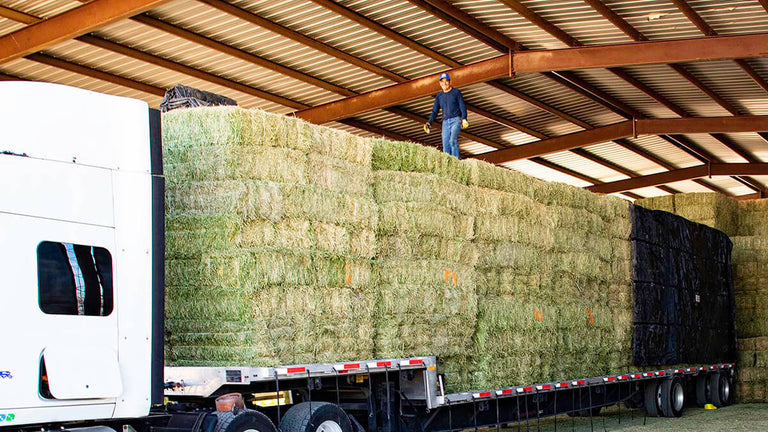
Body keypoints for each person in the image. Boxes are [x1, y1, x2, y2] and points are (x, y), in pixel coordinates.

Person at [424, 73, 469, 158]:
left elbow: (462, 106)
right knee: (445, 145)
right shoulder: (439, 96)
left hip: (456, 120)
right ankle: (447, 165)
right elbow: (435, 111)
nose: (444, 83)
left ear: (450, 82)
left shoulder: (456, 92)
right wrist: (429, 122)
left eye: (446, 81)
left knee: (452, 140)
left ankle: (455, 161)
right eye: (442, 82)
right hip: (445, 122)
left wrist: (464, 118)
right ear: (440, 83)